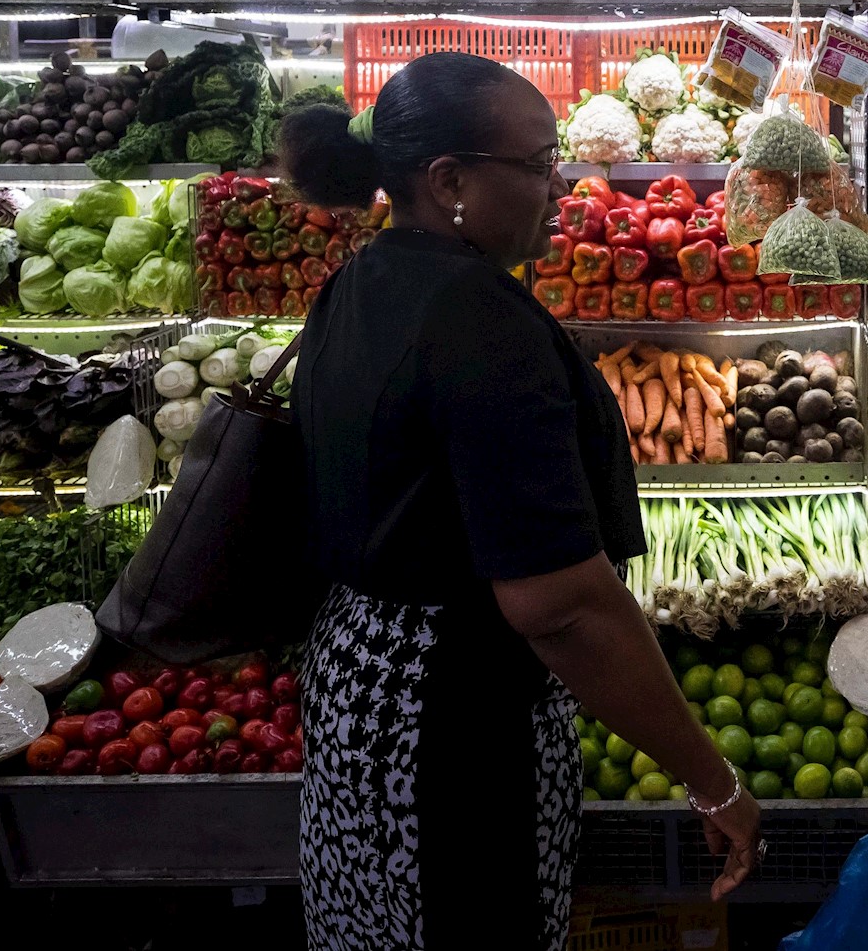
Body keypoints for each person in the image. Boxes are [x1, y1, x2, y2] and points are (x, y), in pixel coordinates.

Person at [279, 53, 761, 949]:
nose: (559, 186)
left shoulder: (358, 282)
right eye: (539, 164)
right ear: (449, 180)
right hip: (452, 730)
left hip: (355, 697)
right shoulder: (481, 321)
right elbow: (559, 603)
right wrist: (711, 777)